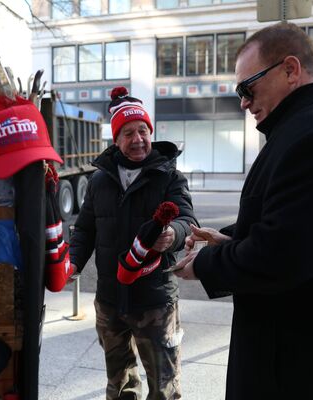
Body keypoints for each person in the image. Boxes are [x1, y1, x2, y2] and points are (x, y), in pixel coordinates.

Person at [174, 21, 313, 399]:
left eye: (247, 88)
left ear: (290, 70)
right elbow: (297, 223)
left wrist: (205, 265)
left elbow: (280, 255)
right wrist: (230, 238)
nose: (243, 102)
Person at [69, 87, 197, 400]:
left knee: (163, 386)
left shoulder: (169, 176)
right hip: (110, 299)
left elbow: (186, 221)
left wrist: (173, 235)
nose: (138, 138)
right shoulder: (100, 180)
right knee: (119, 382)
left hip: (153, 299)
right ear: (116, 139)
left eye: (143, 130)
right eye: (128, 132)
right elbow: (85, 229)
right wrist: (72, 262)